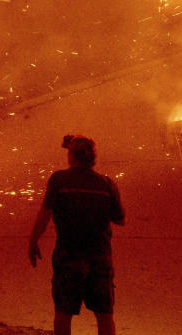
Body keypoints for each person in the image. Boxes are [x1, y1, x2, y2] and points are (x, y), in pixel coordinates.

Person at [28, 134, 125, 335]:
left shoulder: (59, 180)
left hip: (69, 257)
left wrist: (33, 241)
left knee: (63, 311)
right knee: (104, 314)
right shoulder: (106, 184)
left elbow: (44, 214)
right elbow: (120, 219)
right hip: (100, 257)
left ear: (72, 157)